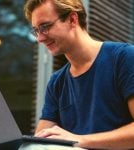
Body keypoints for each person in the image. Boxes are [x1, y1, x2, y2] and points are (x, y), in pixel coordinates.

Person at [24, 0, 134, 149]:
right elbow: (40, 142)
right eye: (36, 30)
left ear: (72, 19)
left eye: (45, 27)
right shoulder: (57, 82)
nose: (40, 38)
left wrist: (78, 140)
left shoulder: (124, 58)